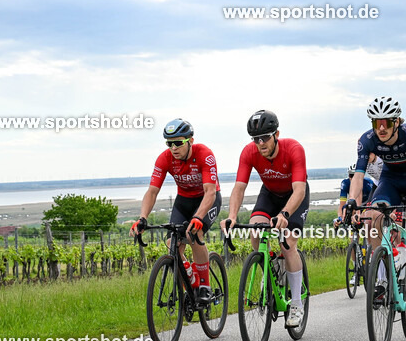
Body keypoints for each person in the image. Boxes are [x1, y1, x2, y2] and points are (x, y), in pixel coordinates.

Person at [220, 110, 309, 328]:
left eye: (265, 138)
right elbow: (239, 188)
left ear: (276, 134)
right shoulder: (249, 153)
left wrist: (285, 214)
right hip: (269, 194)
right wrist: (231, 216)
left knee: (287, 243)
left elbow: (298, 190)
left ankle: (296, 303)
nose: (260, 143)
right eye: (255, 139)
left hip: (295, 197)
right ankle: (270, 269)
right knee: (255, 231)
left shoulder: (294, 149)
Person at [346, 96, 406, 318]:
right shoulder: (366, 140)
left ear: (397, 121)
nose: (381, 128)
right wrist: (353, 203)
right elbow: (358, 176)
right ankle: (382, 279)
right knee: (372, 219)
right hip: (390, 181)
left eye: (386, 122)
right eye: (376, 123)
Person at [131, 119, 221, 304]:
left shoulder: (205, 154)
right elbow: (152, 191)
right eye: (169, 143)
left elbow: (210, 192)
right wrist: (142, 218)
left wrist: (197, 217)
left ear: (190, 140)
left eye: (178, 142)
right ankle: (189, 275)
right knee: (173, 242)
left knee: (195, 233)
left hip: (207, 199)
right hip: (184, 201)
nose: (173, 147)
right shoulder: (164, 158)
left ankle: (204, 285)